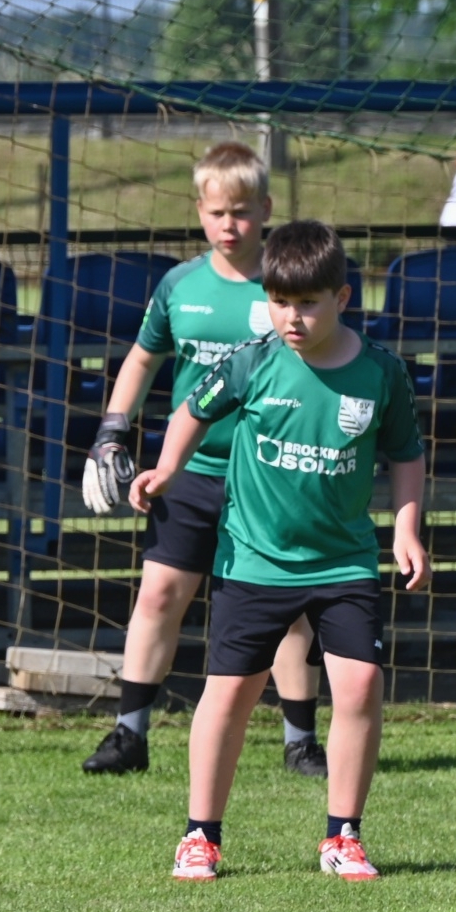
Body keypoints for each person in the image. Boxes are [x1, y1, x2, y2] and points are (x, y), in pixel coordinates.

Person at [130, 220, 428, 883]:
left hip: (344, 561)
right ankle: (200, 835)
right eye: (279, 301)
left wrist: (407, 530)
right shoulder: (252, 360)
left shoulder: (381, 372)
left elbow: (407, 454)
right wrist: (167, 469)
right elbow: (192, 410)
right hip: (254, 560)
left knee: (360, 684)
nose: (292, 317)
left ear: (342, 298)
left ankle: (343, 835)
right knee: (231, 693)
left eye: (308, 303)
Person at [82, 141, 326, 778]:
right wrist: (112, 430)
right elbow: (143, 358)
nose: (229, 225)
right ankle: (129, 734)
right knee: (160, 594)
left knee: (288, 608)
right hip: (188, 472)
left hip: (270, 476)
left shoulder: (287, 289)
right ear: (199, 211)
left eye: (242, 212)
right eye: (217, 212)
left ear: (265, 209)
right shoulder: (180, 285)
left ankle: (301, 741)